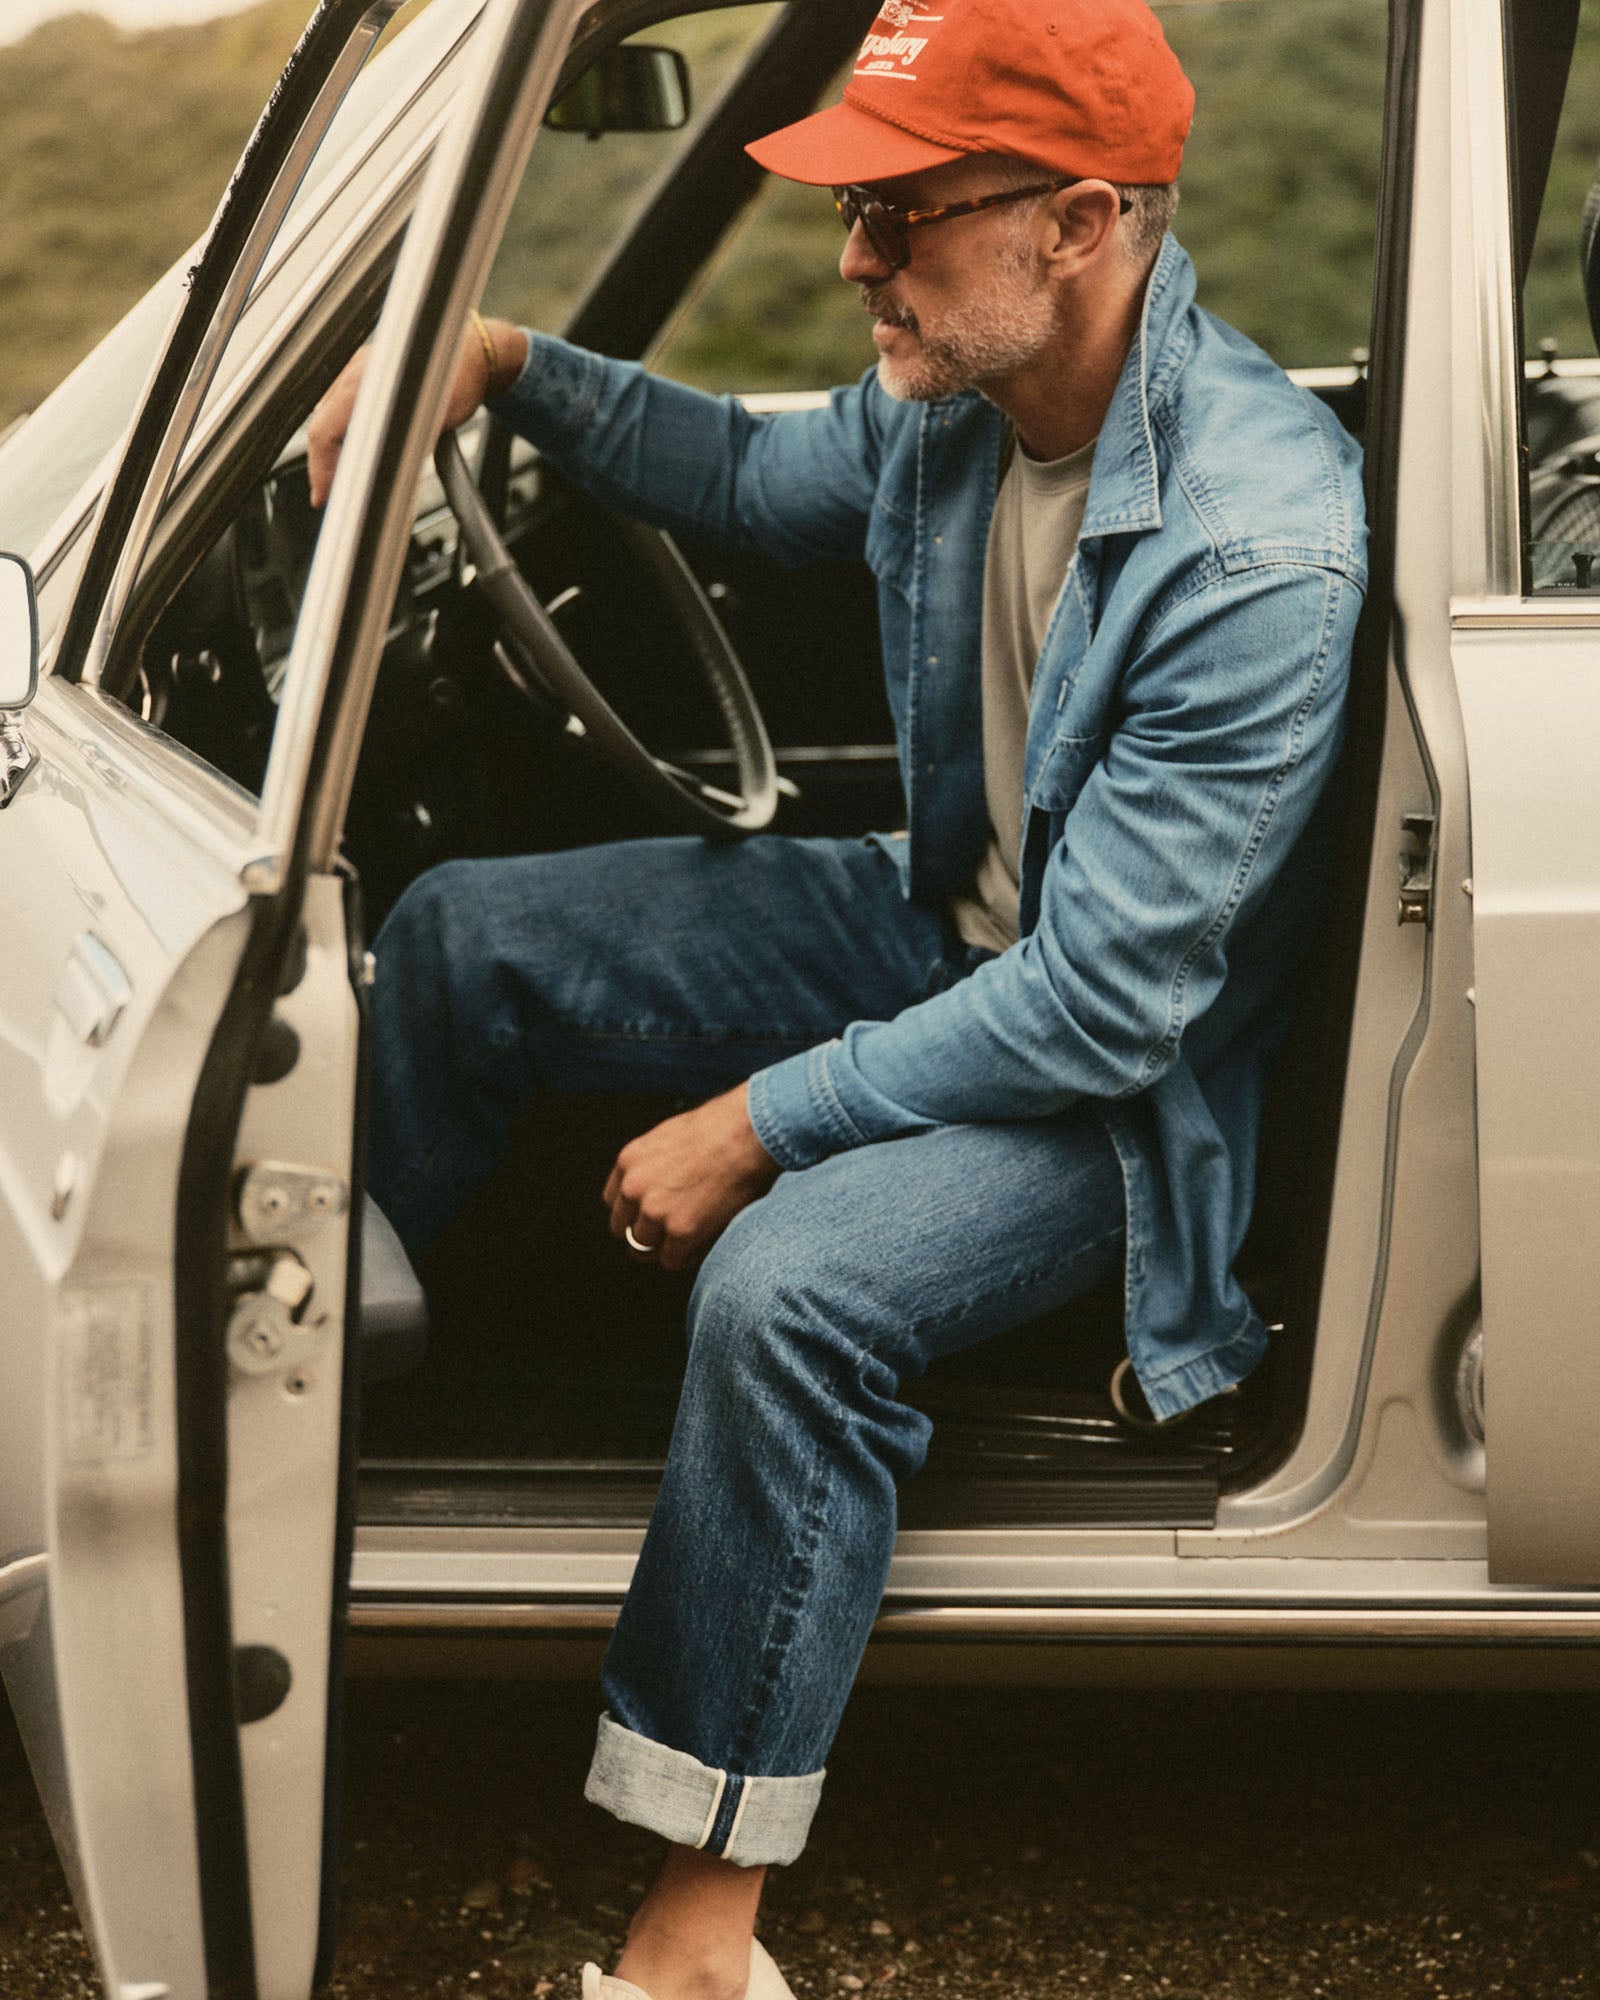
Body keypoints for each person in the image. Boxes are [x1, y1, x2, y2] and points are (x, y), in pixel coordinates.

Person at [308, 0, 1366, 1994]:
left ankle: (701, 1929)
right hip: (940, 929)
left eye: (903, 213)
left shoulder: (1254, 540)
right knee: (455, 934)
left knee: (789, 1288)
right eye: (852, 210)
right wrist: (503, 358)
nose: (857, 260)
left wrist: (757, 1119)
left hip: (1115, 1089)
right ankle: (302, 1437)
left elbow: (1103, 1008)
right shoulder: (967, 394)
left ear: (1077, 222)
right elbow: (738, 470)